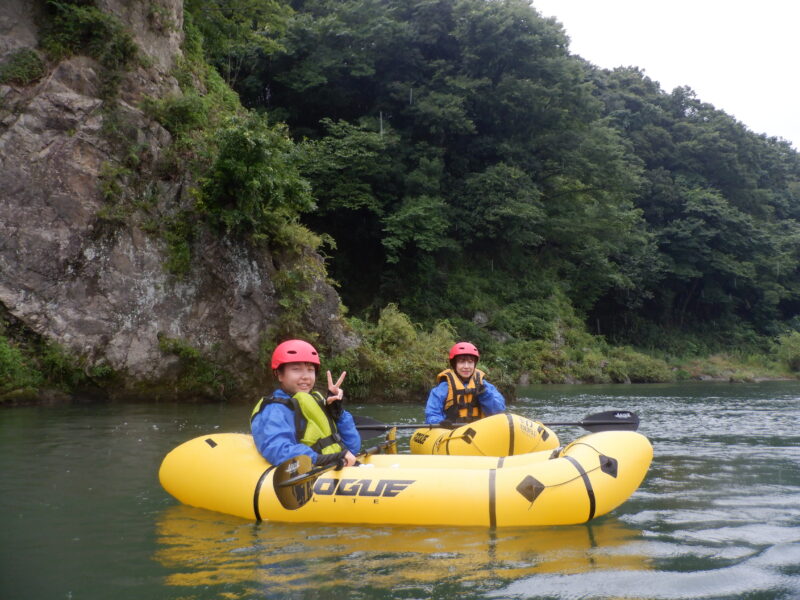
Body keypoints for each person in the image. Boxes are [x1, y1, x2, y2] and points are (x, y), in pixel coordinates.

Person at [251, 339, 361, 469]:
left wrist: (338, 414)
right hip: (312, 470)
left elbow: (353, 447)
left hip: (334, 466)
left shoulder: (318, 402)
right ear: (280, 374)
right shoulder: (274, 409)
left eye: (310, 370)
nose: (306, 376)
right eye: (296, 369)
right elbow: (278, 450)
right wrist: (324, 459)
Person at [425, 341, 506, 425]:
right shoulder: (443, 388)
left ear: (474, 364)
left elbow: (498, 412)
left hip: (480, 432)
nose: (466, 366)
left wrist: (485, 394)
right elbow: (432, 414)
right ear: (454, 364)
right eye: (461, 362)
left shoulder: (485, 386)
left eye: (470, 362)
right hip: (451, 432)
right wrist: (440, 423)